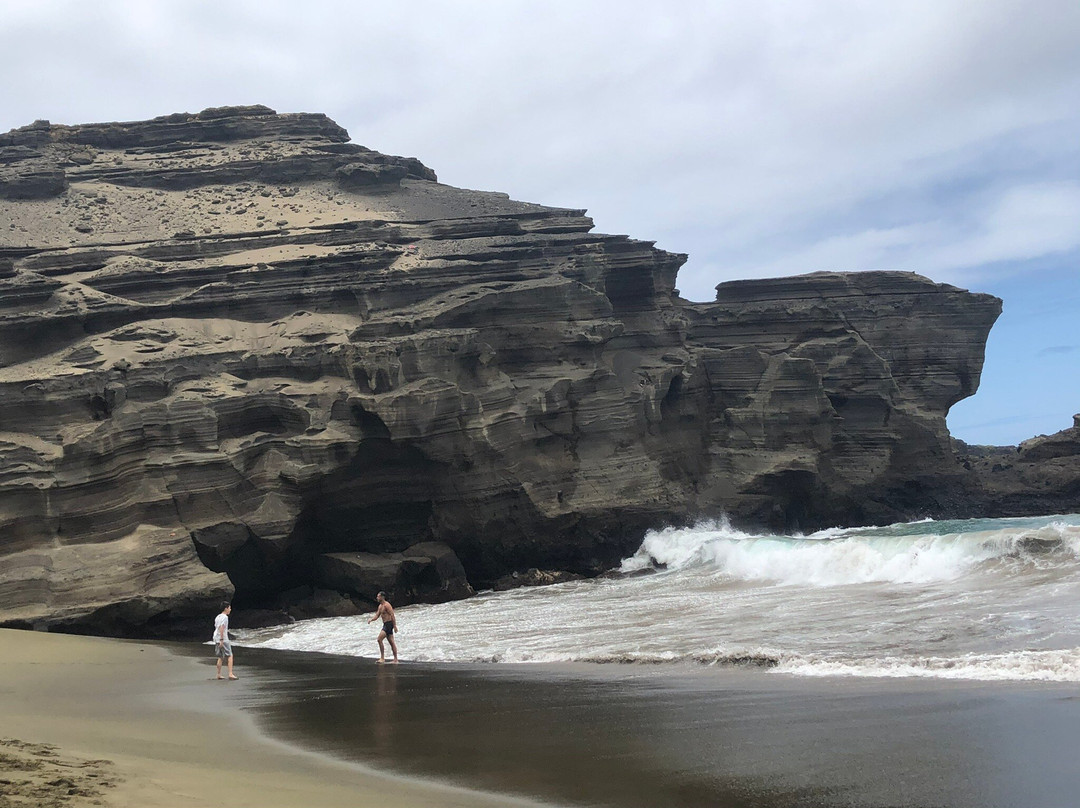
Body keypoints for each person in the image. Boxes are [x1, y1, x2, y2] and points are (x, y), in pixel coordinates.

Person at [367, 591, 399, 663]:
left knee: (379, 639)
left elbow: (392, 615)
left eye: (378, 596)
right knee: (391, 642)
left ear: (382, 597)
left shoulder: (387, 605)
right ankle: (395, 659)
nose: (377, 598)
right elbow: (377, 616)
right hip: (385, 624)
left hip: (389, 624)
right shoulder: (380, 606)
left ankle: (382, 658)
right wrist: (371, 620)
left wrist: (394, 626)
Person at [213, 602, 238, 680]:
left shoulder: (218, 617)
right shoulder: (225, 617)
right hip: (223, 638)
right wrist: (222, 639)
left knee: (220, 656)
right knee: (230, 655)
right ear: (226, 608)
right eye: (229, 608)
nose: (230, 610)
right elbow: (221, 627)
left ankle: (218, 674)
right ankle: (230, 673)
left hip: (216, 637)